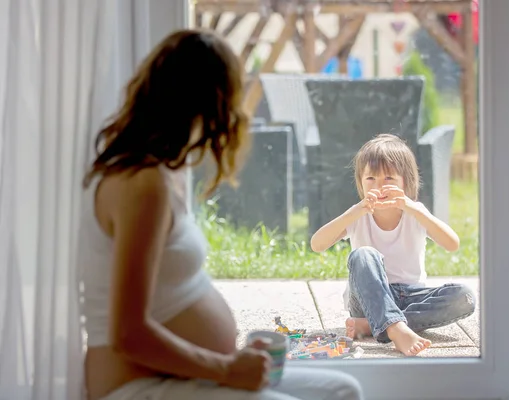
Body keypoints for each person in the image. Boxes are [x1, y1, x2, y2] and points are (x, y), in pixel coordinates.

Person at [77, 29, 363, 400]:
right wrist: (227, 368)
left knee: (342, 390)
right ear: (207, 103)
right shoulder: (140, 185)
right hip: (139, 385)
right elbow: (129, 334)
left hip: (185, 374)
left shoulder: (166, 169)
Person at [310, 134, 476, 356]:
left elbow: (452, 244)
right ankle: (395, 328)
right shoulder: (358, 215)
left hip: (412, 295)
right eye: (370, 179)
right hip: (367, 300)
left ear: (405, 182)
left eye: (389, 178)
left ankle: (375, 326)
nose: (379, 186)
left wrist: (413, 208)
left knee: (464, 296)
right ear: (360, 183)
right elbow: (317, 244)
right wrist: (353, 212)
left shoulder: (415, 213)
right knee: (363, 254)